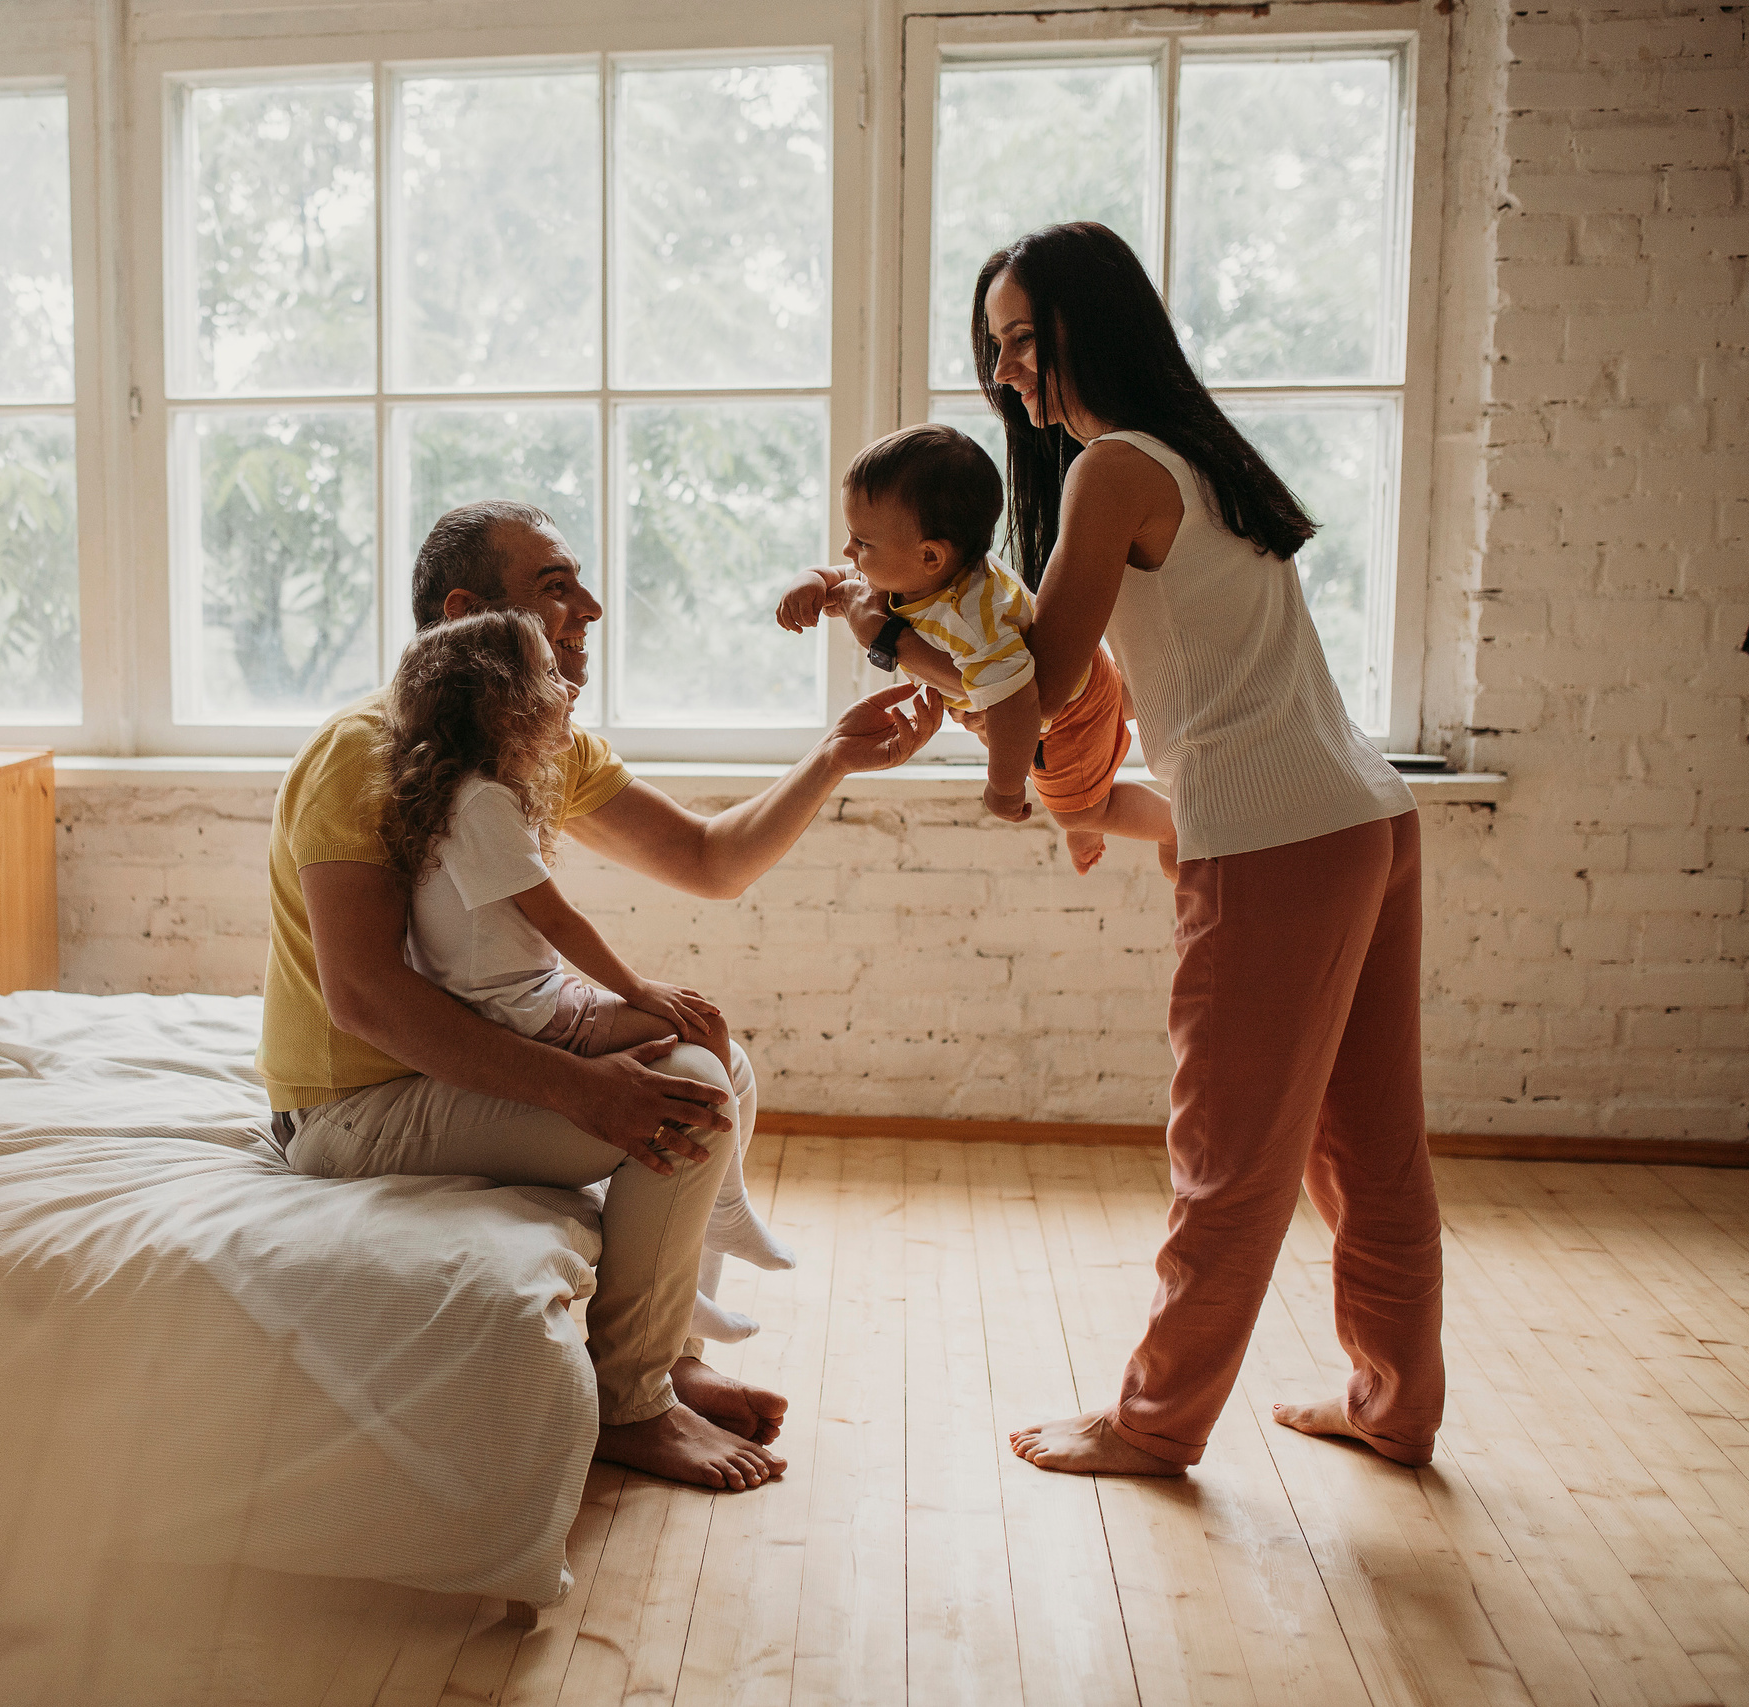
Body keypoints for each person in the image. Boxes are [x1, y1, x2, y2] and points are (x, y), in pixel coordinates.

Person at [264, 499, 943, 1493]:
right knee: (693, 1099)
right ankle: (629, 1403)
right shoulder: (361, 753)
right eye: (555, 589)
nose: (590, 607)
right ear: (465, 612)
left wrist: (834, 756)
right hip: (349, 1111)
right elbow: (366, 999)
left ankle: (667, 1353)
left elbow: (708, 861)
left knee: (716, 1059)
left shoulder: (531, 739)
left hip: (440, 1071)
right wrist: (574, 1088)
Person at [946, 223, 1438, 1477]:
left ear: (1086, 326)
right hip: (1363, 818)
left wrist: (890, 628)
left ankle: (1153, 1424)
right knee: (1366, 1148)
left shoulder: (1110, 467)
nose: (1004, 371)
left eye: (1019, 339)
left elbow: (1049, 681)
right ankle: (1393, 1405)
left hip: (1274, 842)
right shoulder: (1199, 450)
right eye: (991, 347)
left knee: (1223, 1157)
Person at [377, 609, 798, 1343]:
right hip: (524, 1012)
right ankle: (711, 1227)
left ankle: (700, 1246)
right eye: (546, 675)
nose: (566, 686)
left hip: (524, 997)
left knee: (708, 1041)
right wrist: (640, 992)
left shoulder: (477, 795)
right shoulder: (482, 803)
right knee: (699, 1027)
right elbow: (559, 922)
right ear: (503, 703)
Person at [775, 423, 1178, 879]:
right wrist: (808, 581)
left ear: (931, 556)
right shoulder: (911, 570)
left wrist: (1003, 786)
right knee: (1067, 751)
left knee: (1074, 809)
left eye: (861, 542)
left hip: (1063, 718)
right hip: (1084, 678)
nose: (848, 552)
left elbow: (1017, 706)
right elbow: (842, 579)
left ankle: (1162, 828)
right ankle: (1105, 749)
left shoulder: (972, 619)